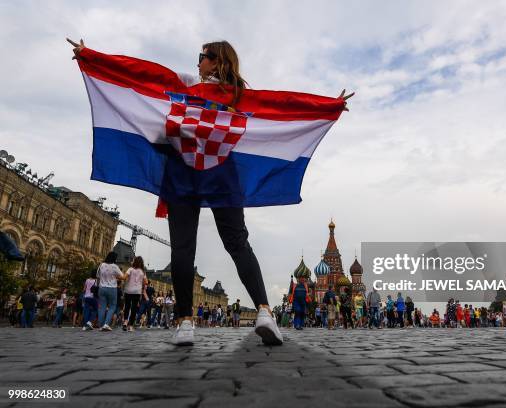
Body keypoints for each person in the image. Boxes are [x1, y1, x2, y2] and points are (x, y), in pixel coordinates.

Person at [68, 37, 353, 346]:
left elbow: (280, 102)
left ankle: (188, 322)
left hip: (185, 172)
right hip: (216, 174)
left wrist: (329, 105)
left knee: (184, 248)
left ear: (217, 61)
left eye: (202, 56)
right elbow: (143, 72)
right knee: (235, 243)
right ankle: (262, 312)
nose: (198, 62)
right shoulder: (229, 94)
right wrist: (93, 56)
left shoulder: (193, 87)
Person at [96, 252, 124, 331]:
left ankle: (100, 325)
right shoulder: (115, 266)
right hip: (112, 288)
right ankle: (106, 324)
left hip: (102, 288)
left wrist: (98, 287)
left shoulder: (101, 265)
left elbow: (97, 277)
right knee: (112, 306)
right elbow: (122, 276)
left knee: (102, 307)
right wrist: (115, 276)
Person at [122, 256, 148, 332]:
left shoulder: (130, 269)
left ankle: (125, 321)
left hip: (128, 290)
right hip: (137, 292)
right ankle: (130, 326)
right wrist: (140, 281)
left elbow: (124, 277)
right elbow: (146, 282)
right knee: (134, 308)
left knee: (127, 306)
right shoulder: (143, 272)